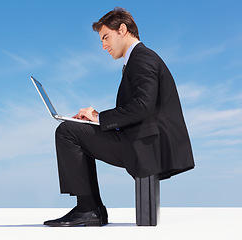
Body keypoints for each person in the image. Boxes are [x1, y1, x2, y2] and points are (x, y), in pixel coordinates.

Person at [43, 7, 195, 227]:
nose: (103, 46)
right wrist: (97, 117)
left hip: (145, 145)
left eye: (106, 37)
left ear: (122, 30)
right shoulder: (139, 59)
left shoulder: (142, 58)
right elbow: (142, 108)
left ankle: (89, 209)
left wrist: (98, 119)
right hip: (141, 139)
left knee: (67, 132)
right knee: (74, 129)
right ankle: (91, 209)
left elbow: (142, 107)